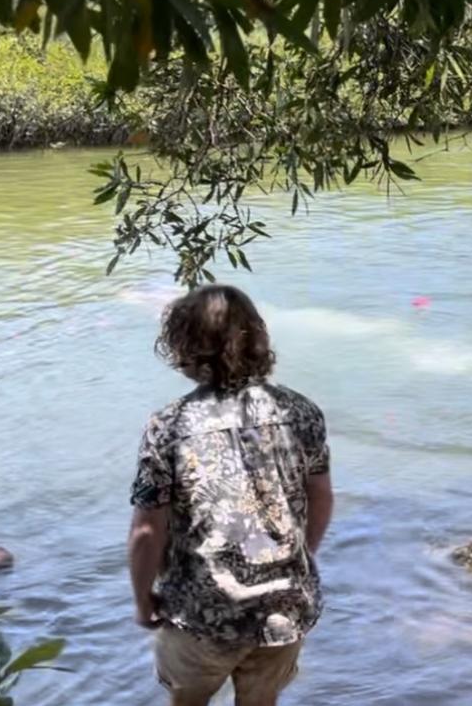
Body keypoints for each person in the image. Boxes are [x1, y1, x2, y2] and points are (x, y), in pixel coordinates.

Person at [128, 285, 334, 706]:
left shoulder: (169, 426)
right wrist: (301, 556)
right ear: (257, 337)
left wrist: (142, 597)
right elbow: (322, 498)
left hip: (201, 614)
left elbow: (148, 530)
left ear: (183, 346)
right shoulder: (301, 412)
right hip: (283, 610)